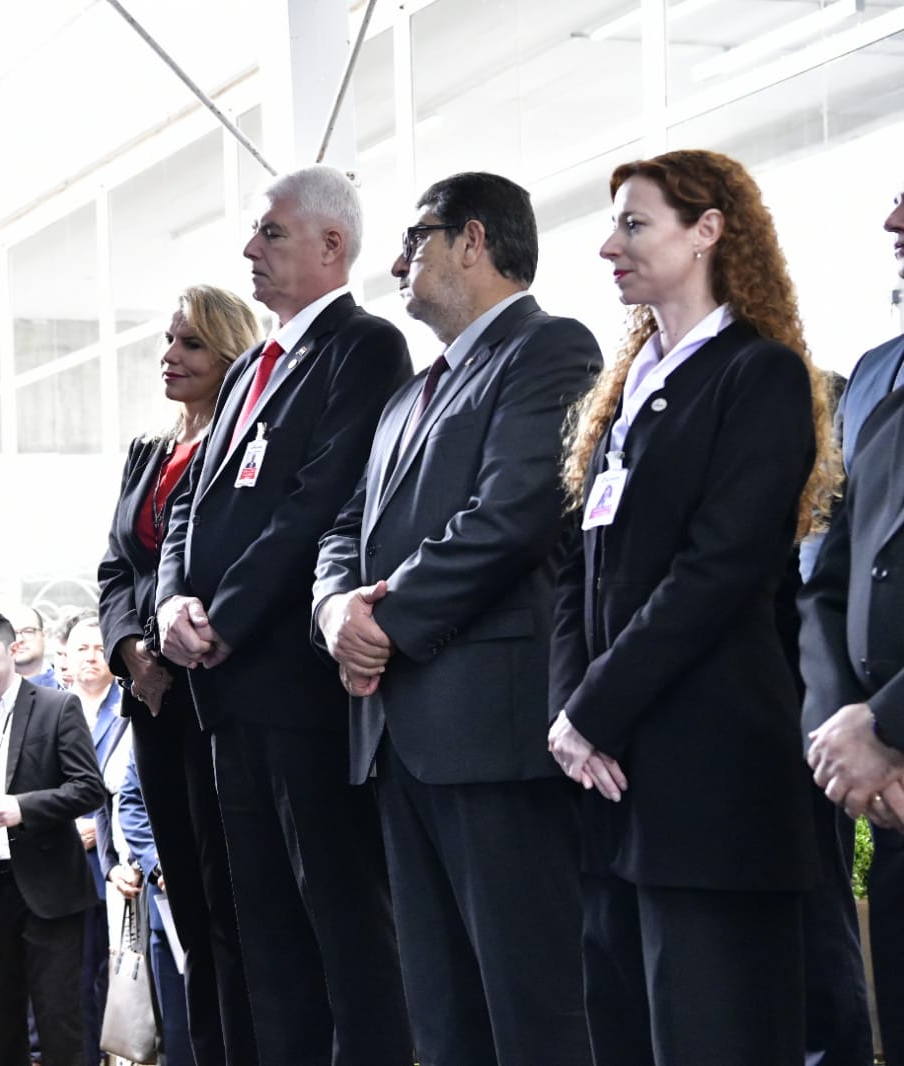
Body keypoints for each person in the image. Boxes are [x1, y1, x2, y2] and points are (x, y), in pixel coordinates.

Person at [548, 149, 839, 1065]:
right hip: (609, 783)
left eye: (633, 225)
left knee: (713, 1032)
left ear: (707, 230)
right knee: (624, 1031)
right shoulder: (625, 390)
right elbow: (571, 569)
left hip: (711, 783)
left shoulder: (759, 377)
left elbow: (716, 573)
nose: (608, 247)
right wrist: (568, 715)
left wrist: (594, 708)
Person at [313, 171, 601, 1066]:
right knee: (438, 1010)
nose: (395, 261)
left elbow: (511, 512)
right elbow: (342, 527)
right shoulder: (407, 395)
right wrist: (333, 611)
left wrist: (382, 624)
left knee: (532, 1003)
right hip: (397, 736)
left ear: (471, 241)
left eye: (414, 237)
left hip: (492, 731)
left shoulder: (549, 349)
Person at [155, 164, 414, 1066]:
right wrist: (171, 602)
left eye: (269, 234)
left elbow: (317, 501)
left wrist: (219, 617)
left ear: (330, 245)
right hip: (226, 696)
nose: (248, 251)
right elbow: (190, 504)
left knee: (342, 924)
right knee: (259, 930)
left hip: (301, 688)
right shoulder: (247, 373)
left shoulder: (364, 347)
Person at [97, 282, 260, 1065]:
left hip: (217, 692)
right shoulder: (147, 452)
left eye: (190, 343)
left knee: (235, 903)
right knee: (188, 907)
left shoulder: (244, 444)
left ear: (231, 355)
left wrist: (168, 655)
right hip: (151, 701)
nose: (169, 356)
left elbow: (223, 562)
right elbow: (115, 570)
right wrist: (130, 652)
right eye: (167, 340)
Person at [803, 184, 904, 1065]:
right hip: (883, 785)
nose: (890, 224)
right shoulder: (873, 371)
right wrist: (843, 737)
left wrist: (887, 723)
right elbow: (827, 572)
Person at [0, 610, 106, 1066]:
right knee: (2, 1028)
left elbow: (89, 788)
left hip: (50, 888)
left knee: (60, 1023)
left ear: (12, 650)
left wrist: (25, 808)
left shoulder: (56, 706)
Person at [62, 611, 129, 1066]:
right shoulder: (50, 707)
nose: (91, 656)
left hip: (118, 861)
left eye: (100, 647)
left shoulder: (129, 704)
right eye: (81, 647)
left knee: (120, 972)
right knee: (74, 973)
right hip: (64, 864)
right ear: (65, 656)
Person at [101, 750, 195, 1066]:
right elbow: (131, 804)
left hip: (233, 899)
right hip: (168, 912)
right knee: (176, 1031)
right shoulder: (154, 724)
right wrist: (159, 865)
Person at [9, 606, 60, 689]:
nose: (19, 639)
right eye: (12, 633)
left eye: (28, 631)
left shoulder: (64, 684)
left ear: (44, 636)